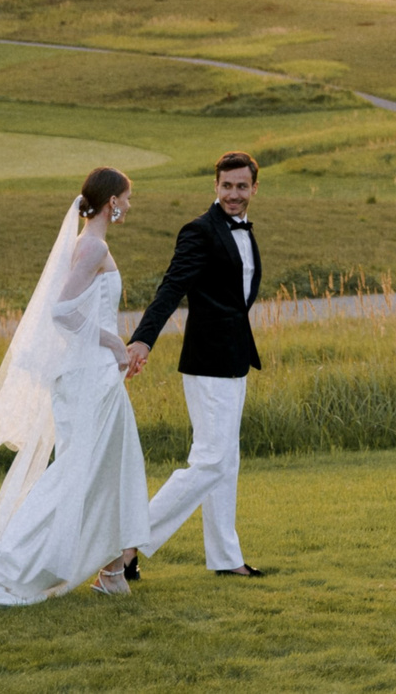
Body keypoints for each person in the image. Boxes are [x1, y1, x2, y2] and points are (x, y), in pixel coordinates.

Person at [0, 167, 149, 606]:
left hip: (97, 374)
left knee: (114, 464)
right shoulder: (93, 246)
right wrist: (112, 340)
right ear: (112, 201)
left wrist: (112, 350)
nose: (130, 206)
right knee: (76, 471)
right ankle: (1, 566)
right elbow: (62, 311)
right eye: (128, 198)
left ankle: (116, 569)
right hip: (88, 378)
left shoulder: (92, 245)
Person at [119, 151, 265, 581]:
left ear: (254, 189)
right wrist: (144, 338)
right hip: (207, 363)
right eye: (226, 186)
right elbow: (172, 286)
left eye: (242, 186)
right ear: (215, 187)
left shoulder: (242, 231)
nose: (234, 194)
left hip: (236, 358)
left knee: (227, 460)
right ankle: (127, 547)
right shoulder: (200, 231)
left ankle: (225, 556)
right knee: (211, 461)